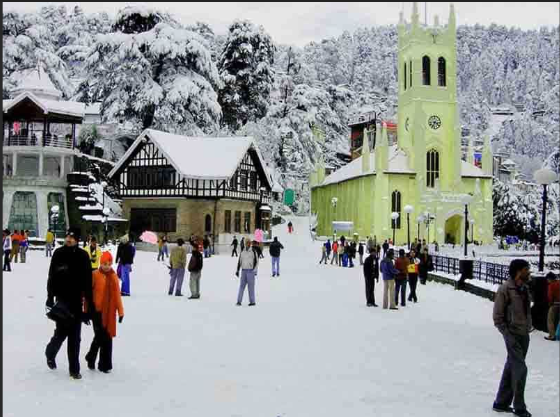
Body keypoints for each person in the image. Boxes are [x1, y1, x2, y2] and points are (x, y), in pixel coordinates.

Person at [45, 227, 93, 380]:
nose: (69, 239)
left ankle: (74, 369)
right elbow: (51, 276)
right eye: (67, 236)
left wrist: (88, 307)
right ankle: (50, 352)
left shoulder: (83, 256)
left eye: (72, 237)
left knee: (75, 337)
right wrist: (49, 296)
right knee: (61, 333)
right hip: (62, 300)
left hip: (77, 301)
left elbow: (87, 283)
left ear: (77, 240)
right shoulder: (58, 254)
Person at [492, 259, 533, 417]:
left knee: (512, 367)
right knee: (520, 369)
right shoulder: (505, 289)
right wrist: (507, 334)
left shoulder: (524, 288)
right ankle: (519, 407)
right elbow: (497, 317)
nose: (528, 272)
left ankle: (501, 403)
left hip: (524, 335)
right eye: (526, 269)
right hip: (512, 335)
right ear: (518, 271)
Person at [85, 251, 124, 374]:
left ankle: (104, 364)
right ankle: (91, 357)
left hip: (109, 312)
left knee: (106, 337)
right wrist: (85, 310)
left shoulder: (114, 277)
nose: (107, 266)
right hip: (96, 311)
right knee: (100, 336)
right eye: (104, 263)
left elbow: (117, 295)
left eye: (109, 264)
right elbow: (87, 294)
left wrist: (121, 311)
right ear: (100, 263)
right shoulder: (94, 275)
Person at [235, 240, 259, 306]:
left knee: (251, 287)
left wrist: (255, 271)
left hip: (250, 271)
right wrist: (237, 270)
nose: (248, 244)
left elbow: (257, 262)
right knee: (241, 286)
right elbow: (239, 261)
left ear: (250, 243)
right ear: (245, 243)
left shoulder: (253, 251)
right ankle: (239, 301)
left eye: (249, 242)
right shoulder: (243, 251)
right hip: (243, 271)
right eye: (246, 243)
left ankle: (252, 301)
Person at [545, 272, 560, 341]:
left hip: (555, 304)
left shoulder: (551, 285)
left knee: (550, 320)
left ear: (550, 279)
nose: (547, 281)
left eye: (547, 279)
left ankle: (552, 335)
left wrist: (550, 303)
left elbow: (550, 296)